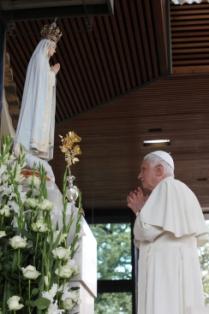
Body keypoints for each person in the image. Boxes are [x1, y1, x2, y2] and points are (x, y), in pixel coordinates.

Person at [127, 150, 209, 314]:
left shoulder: (166, 187)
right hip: (175, 268)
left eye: (143, 169)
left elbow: (146, 232)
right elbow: (161, 228)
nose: (139, 175)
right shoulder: (181, 190)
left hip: (165, 272)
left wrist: (138, 211)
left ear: (159, 170)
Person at [14, 22, 62, 161]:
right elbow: (42, 84)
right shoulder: (40, 60)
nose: (54, 51)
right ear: (48, 45)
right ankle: (34, 144)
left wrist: (50, 72)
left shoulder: (41, 61)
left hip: (38, 101)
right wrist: (52, 73)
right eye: (54, 48)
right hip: (37, 104)